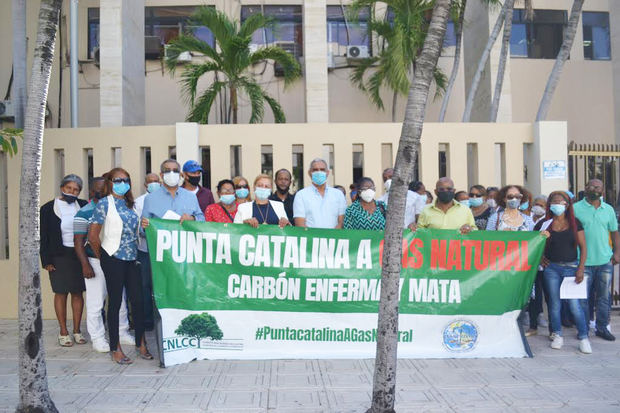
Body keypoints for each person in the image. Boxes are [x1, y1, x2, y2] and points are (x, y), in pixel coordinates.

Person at [88, 168, 152, 364]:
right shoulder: (104, 205)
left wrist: (145, 226)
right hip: (112, 258)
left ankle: (141, 343)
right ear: (110, 182)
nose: (122, 183)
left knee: (138, 302)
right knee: (115, 303)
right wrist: (104, 257)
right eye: (118, 180)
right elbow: (93, 236)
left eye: (126, 180)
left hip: (132, 258)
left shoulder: (130, 204)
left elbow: (136, 231)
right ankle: (115, 348)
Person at [73, 177, 134, 352]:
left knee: (120, 299)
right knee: (96, 302)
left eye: (105, 188)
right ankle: (98, 338)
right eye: (99, 189)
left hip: (117, 260)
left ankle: (122, 332)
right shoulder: (84, 212)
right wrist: (86, 265)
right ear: (92, 191)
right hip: (95, 261)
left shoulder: (118, 208)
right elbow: (79, 242)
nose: (103, 191)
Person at [537, 191, 591, 353]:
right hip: (551, 268)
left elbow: (583, 247)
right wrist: (540, 258)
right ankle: (558, 335)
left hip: (571, 268)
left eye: (561, 202)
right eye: (554, 202)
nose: (558, 205)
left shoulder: (575, 222)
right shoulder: (545, 223)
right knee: (554, 304)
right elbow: (535, 243)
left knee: (575, 305)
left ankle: (583, 337)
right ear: (550, 205)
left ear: (567, 205)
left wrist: (581, 268)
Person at [40, 174, 88, 347]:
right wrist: (46, 261)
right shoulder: (47, 208)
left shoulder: (83, 205)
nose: (72, 192)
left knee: (77, 292)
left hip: (79, 255)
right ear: (62, 188)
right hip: (58, 256)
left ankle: (76, 330)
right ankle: (63, 331)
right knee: (60, 292)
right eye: (69, 188)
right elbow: (43, 236)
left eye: (76, 190)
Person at [573, 178, 620, 341]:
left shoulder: (608, 209)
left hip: (605, 260)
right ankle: (584, 328)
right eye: (592, 186)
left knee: (604, 297)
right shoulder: (575, 209)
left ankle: (602, 328)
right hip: (582, 261)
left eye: (598, 187)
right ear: (586, 188)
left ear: (603, 190)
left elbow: (614, 232)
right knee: (583, 298)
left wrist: (617, 252)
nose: (595, 189)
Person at [134, 173, 161, 331]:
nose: (154, 184)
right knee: (145, 286)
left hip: (165, 252)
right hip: (145, 249)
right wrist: (147, 229)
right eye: (150, 182)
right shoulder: (139, 202)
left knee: (162, 285)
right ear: (145, 185)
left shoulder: (166, 200)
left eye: (156, 181)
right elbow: (138, 227)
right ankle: (147, 321)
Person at [141, 159, 206, 225]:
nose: (171, 173)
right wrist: (144, 225)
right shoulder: (150, 198)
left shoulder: (191, 196)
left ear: (180, 174)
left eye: (175, 171)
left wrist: (192, 218)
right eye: (167, 170)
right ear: (161, 175)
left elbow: (202, 219)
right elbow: (143, 228)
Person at [293, 158, 347, 228]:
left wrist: (332, 237)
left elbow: (341, 222)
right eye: (315, 170)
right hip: (310, 237)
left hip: (334, 237)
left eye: (322, 170)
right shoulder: (301, 195)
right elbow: (300, 224)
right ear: (309, 173)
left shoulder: (338, 194)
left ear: (327, 173)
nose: (319, 172)